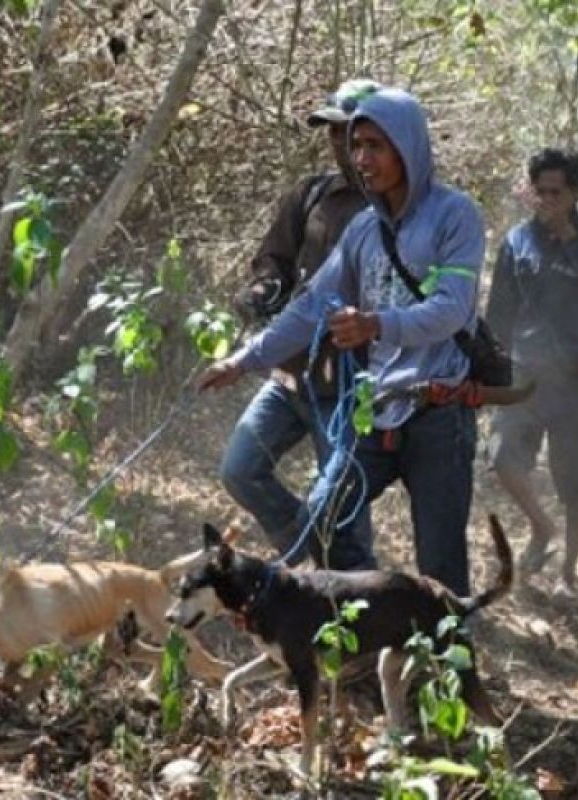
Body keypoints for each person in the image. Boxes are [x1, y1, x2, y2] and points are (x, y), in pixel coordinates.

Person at [199, 86, 486, 595]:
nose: (361, 157)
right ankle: (353, 649)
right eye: (357, 145)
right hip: (376, 410)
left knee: (441, 562)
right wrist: (244, 359)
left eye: (376, 145)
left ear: (408, 147)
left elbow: (452, 308)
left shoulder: (455, 214)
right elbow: (313, 304)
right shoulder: (362, 229)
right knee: (325, 516)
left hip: (440, 414)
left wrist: (377, 324)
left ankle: (448, 669)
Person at [219, 79, 379, 560]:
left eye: (351, 134)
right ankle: (299, 556)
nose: (340, 146)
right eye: (332, 134)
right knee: (239, 469)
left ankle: (353, 603)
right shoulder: (310, 195)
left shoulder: (396, 211)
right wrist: (264, 287)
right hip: (290, 374)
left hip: (352, 388)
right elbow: (275, 257)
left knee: (341, 515)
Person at [485, 148, 578, 595]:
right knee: (502, 454)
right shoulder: (517, 241)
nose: (546, 200)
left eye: (556, 193)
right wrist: (490, 366)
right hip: (526, 372)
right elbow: (500, 312)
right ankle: (541, 527)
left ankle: (567, 570)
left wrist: (568, 236)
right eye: (540, 191)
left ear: (576, 193)